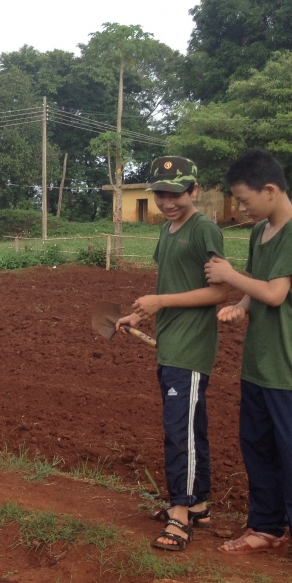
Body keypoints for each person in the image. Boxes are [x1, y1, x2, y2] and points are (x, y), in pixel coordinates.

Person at [204, 149, 292, 579]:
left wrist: (226, 275)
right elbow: (259, 288)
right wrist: (241, 304)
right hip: (258, 364)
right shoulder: (262, 230)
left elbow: (276, 294)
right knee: (257, 449)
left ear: (270, 190)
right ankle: (265, 527)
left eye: (244, 200)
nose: (240, 208)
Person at [114, 157, 228, 552]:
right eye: (160, 194)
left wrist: (160, 301)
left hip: (191, 348)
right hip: (170, 345)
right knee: (187, 428)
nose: (167, 202)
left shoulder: (204, 230)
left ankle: (180, 513)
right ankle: (197, 505)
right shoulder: (166, 231)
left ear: (193, 191)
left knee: (181, 432)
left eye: (175, 194)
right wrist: (139, 314)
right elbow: (173, 284)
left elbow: (219, 292)